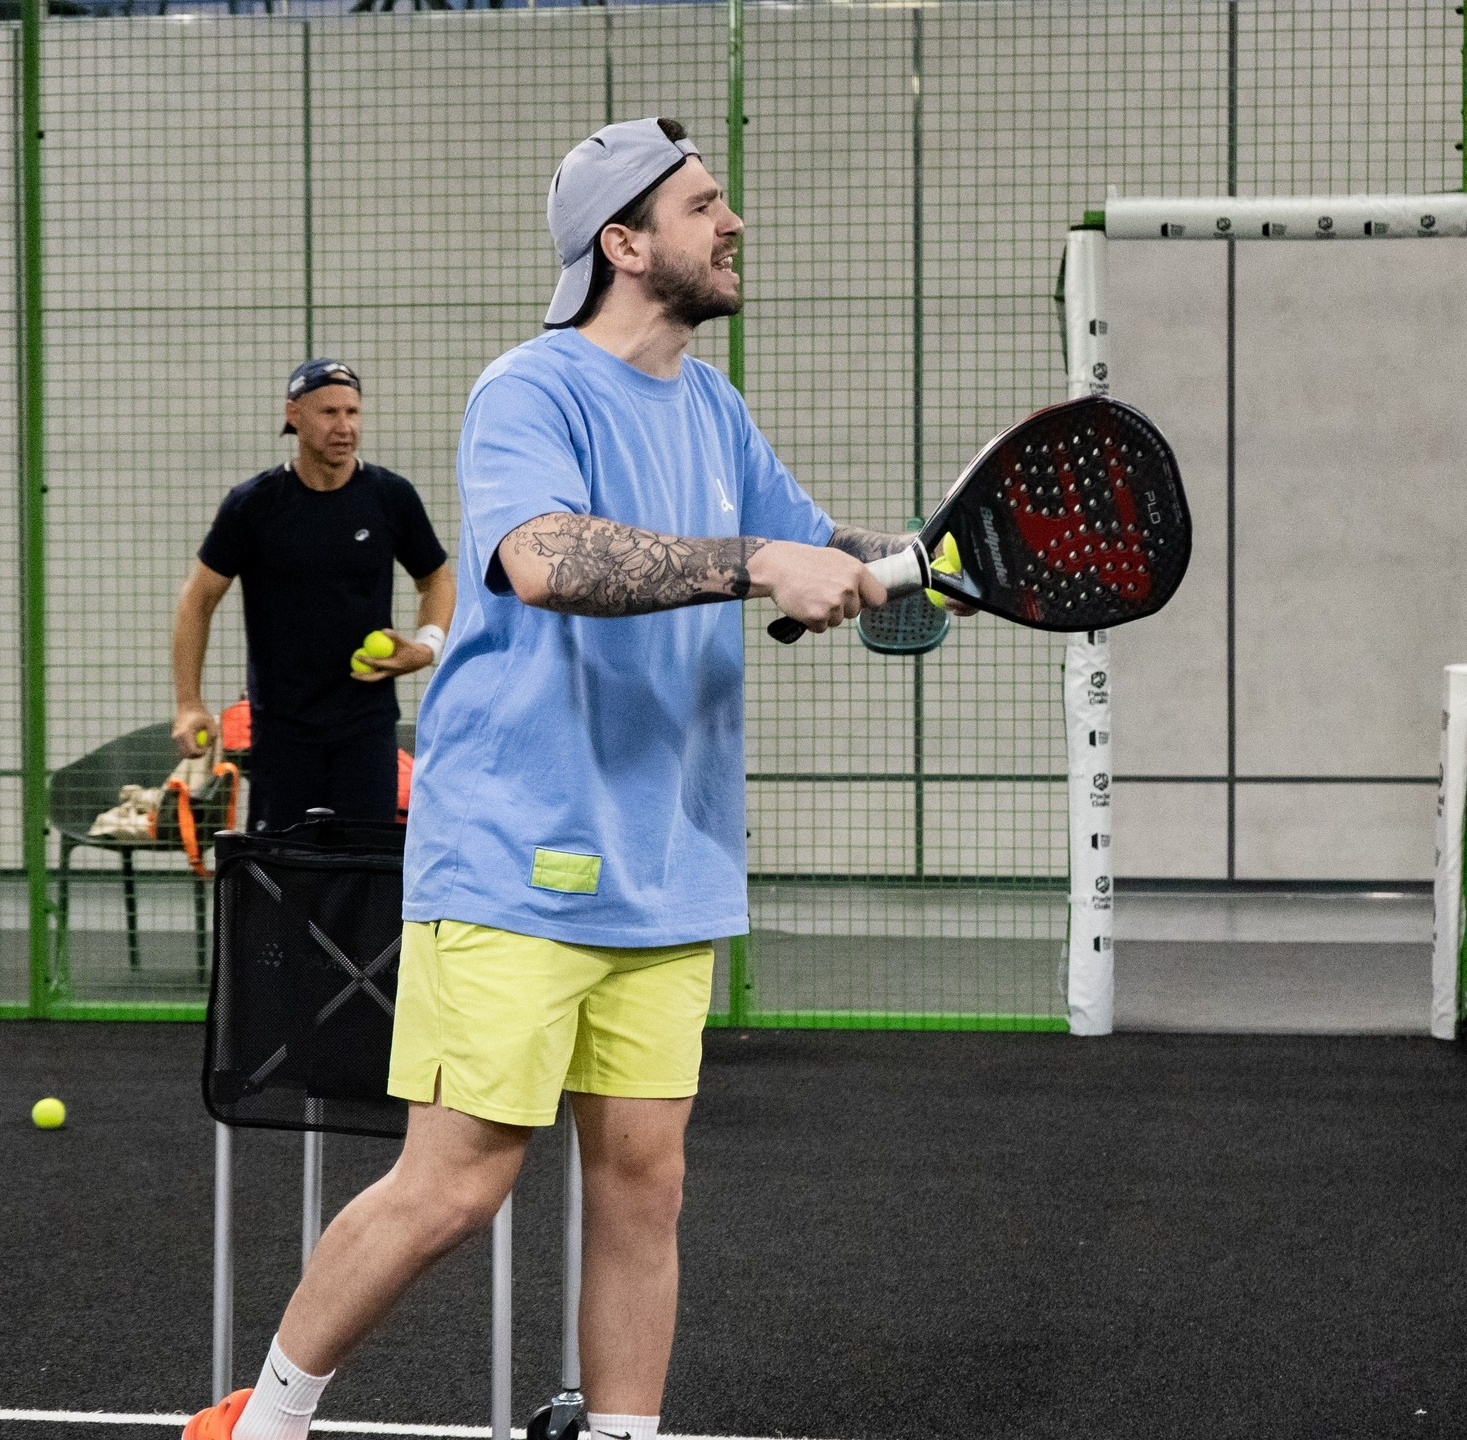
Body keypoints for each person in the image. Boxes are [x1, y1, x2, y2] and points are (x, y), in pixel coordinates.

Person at [185, 118, 918, 1440]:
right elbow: (545, 561)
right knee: (456, 1186)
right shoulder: (529, 390)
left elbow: (810, 546)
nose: (733, 221)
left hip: (665, 859)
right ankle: (264, 1422)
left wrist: (913, 563)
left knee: (646, 1180)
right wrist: (759, 564)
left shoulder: (713, 406)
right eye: (705, 206)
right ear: (624, 245)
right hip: (517, 854)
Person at [170, 359, 456, 832]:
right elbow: (196, 601)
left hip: (366, 726)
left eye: (353, 412)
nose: (344, 427)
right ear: (294, 415)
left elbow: (437, 579)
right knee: (285, 878)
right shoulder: (253, 505)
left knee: (362, 876)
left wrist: (426, 647)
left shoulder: (390, 497)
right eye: (329, 413)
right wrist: (188, 703)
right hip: (282, 731)